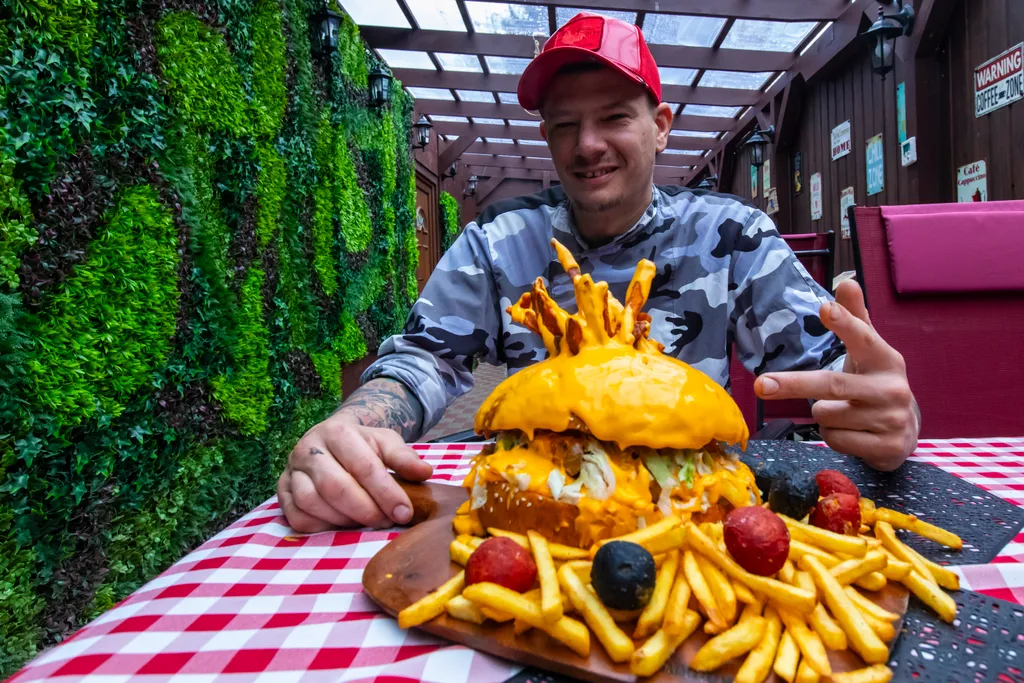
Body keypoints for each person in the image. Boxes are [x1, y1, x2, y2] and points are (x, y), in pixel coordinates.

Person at [278, 13, 920, 533]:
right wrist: (355, 427)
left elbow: (835, 369)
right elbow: (423, 360)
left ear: (660, 128)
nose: (588, 144)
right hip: (542, 502)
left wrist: (885, 406)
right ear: (549, 138)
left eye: (614, 117)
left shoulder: (732, 233)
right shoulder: (497, 241)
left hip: (693, 512)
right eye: (566, 125)